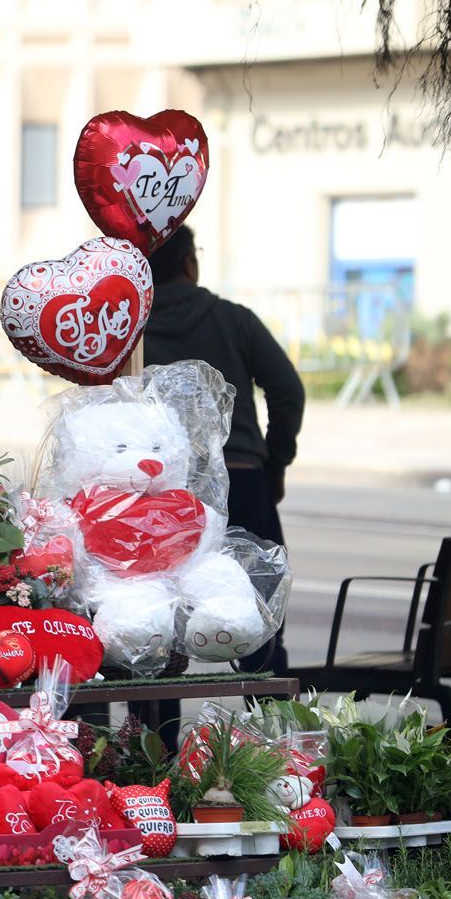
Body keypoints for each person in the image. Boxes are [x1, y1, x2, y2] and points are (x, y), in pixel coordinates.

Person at [144, 225, 304, 672]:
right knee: (260, 609)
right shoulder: (235, 319)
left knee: (153, 619)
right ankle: (269, 729)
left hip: (162, 494)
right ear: (190, 264)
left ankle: (154, 737)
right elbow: (288, 391)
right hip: (242, 481)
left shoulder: (130, 334)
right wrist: (275, 461)